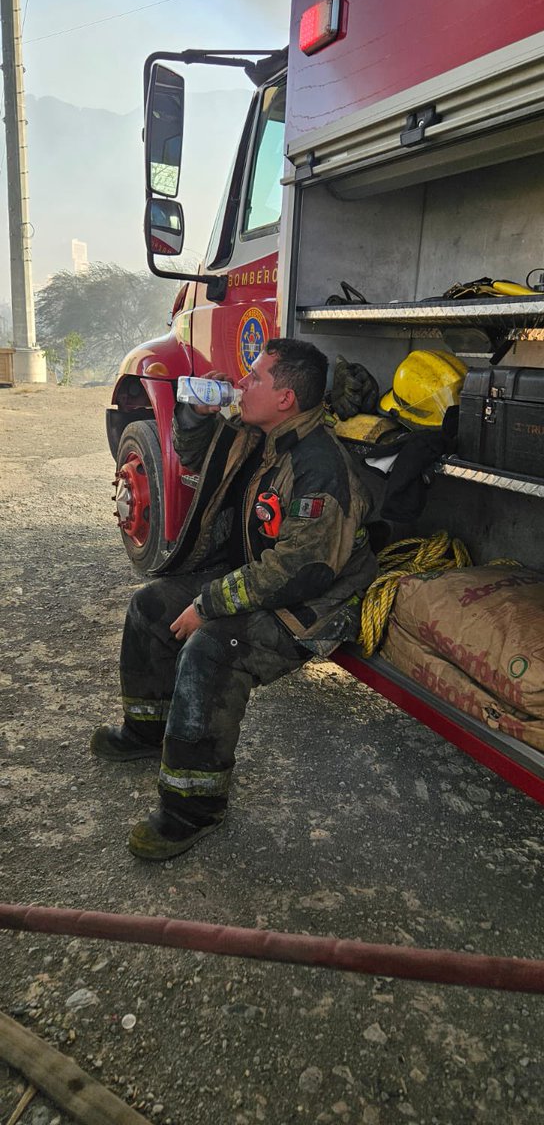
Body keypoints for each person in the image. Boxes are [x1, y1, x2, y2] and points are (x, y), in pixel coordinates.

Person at [91, 339, 377, 860]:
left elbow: (299, 573)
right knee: (150, 607)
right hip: (258, 575)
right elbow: (193, 451)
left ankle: (191, 808)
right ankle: (145, 729)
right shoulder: (257, 435)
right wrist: (196, 414)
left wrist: (208, 605)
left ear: (286, 398)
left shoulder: (319, 467)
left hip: (314, 604)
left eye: (257, 378)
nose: (242, 384)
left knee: (213, 648)